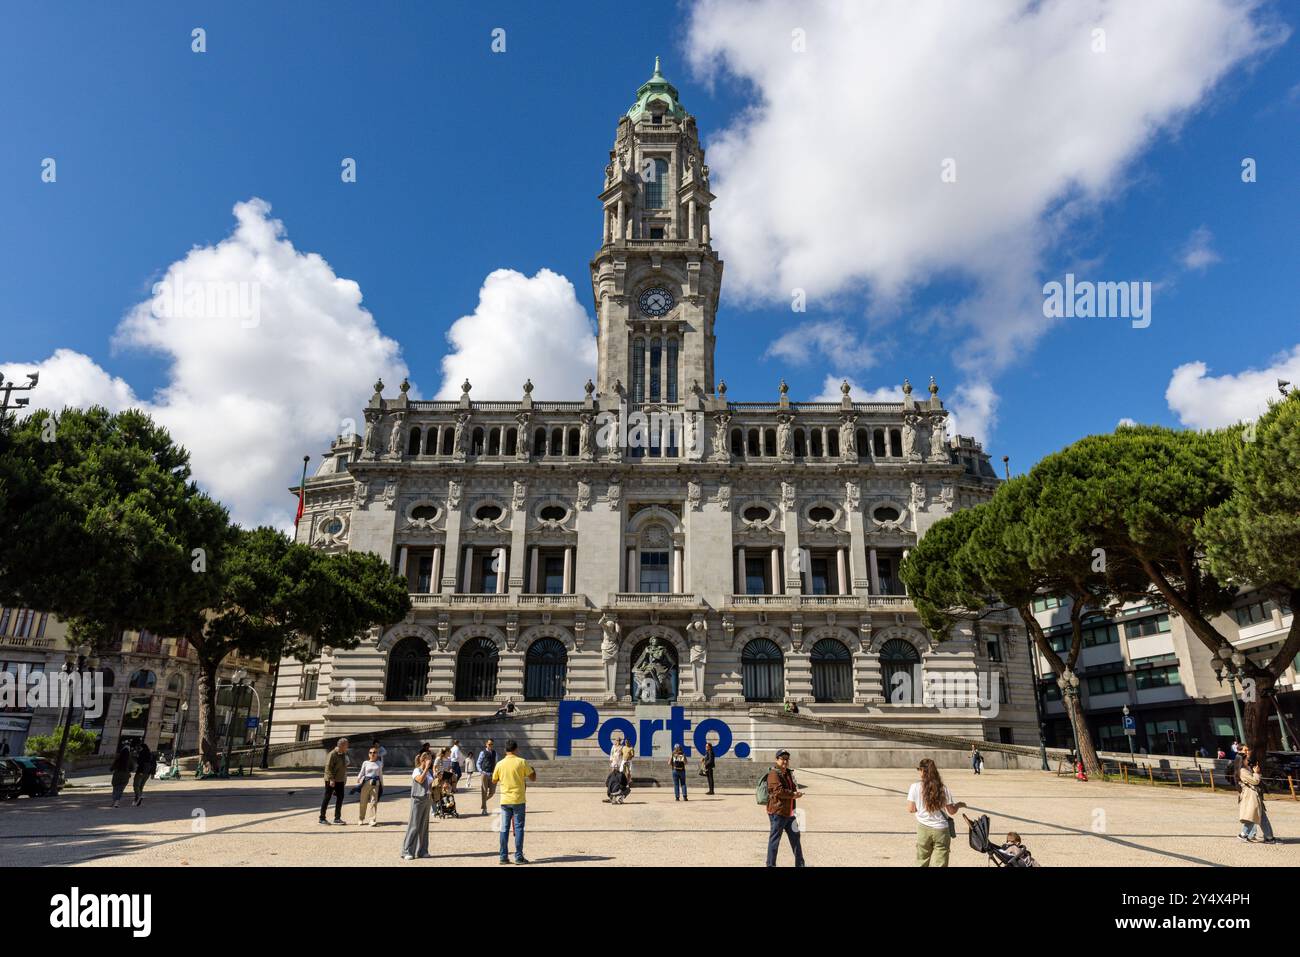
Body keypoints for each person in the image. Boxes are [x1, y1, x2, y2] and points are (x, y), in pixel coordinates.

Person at [907, 758, 967, 867]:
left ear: (921, 770)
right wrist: (959, 805)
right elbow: (951, 811)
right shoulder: (943, 788)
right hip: (941, 830)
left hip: (923, 828)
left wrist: (922, 809)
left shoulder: (914, 787)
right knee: (940, 863)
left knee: (921, 860)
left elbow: (911, 809)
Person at [492, 740, 536, 865]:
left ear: (505, 750)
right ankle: (518, 856)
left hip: (505, 800)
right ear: (516, 749)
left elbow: (494, 780)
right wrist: (532, 770)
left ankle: (503, 856)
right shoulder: (521, 762)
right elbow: (533, 778)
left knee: (504, 829)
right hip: (518, 799)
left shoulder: (500, 764)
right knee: (519, 828)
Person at [765, 749, 805, 867]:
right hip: (778, 812)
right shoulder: (773, 773)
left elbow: (791, 788)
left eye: (787, 759)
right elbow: (778, 791)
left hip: (790, 813)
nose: (785, 761)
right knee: (775, 841)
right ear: (777, 759)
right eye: (782, 759)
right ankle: (770, 865)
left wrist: (795, 793)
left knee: (796, 839)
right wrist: (793, 794)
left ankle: (800, 864)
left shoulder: (788, 773)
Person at [1237, 745, 1276, 844]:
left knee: (1259, 816)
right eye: (1246, 759)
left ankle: (1268, 837)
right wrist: (1257, 773)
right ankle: (1244, 835)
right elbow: (1255, 781)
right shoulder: (1242, 771)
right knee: (1254, 815)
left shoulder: (1247, 769)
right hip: (1250, 795)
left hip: (1254, 795)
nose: (1248, 760)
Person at [401, 751, 435, 860]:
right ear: (423, 760)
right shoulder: (417, 770)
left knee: (424, 827)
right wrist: (425, 769)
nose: (430, 761)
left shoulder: (429, 772)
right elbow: (420, 780)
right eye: (428, 759)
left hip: (427, 799)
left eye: (431, 759)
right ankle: (407, 851)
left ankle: (423, 851)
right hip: (417, 799)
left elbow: (430, 784)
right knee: (414, 825)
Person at [320, 738, 350, 825]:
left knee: (340, 798)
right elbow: (328, 767)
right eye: (346, 745)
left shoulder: (343, 754)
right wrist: (331, 779)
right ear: (341, 745)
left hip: (340, 780)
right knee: (327, 797)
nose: (347, 746)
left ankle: (337, 818)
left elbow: (345, 765)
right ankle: (322, 818)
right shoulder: (332, 754)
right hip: (331, 780)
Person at [357, 745, 384, 826]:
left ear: (377, 754)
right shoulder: (365, 762)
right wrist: (358, 779)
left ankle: (372, 820)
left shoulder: (379, 763)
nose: (372, 754)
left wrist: (382, 784)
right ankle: (361, 818)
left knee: (373, 802)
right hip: (366, 783)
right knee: (363, 801)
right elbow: (362, 772)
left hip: (376, 783)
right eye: (371, 752)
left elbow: (380, 774)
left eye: (374, 752)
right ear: (368, 754)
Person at [476, 738, 498, 816]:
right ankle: (484, 809)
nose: (490, 745)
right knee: (484, 792)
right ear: (486, 744)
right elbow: (478, 763)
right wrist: (481, 771)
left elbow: (496, 763)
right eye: (489, 744)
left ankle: (483, 802)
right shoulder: (482, 752)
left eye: (492, 744)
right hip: (484, 774)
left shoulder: (495, 753)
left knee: (492, 792)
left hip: (492, 774)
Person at [109, 743, 134, 808]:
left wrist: (112, 769)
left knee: (115, 788)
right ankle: (117, 802)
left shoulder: (118, 757)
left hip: (117, 775)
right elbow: (133, 768)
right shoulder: (130, 759)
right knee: (120, 789)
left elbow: (112, 767)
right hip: (125, 776)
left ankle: (114, 801)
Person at [131, 742, 155, 807]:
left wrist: (135, 757)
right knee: (141, 786)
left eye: (140, 748)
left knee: (136, 785)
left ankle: (138, 797)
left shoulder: (142, 753)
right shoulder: (151, 754)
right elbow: (154, 764)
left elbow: (140, 763)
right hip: (148, 773)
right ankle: (137, 800)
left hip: (141, 772)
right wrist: (153, 773)